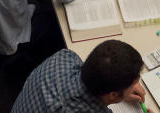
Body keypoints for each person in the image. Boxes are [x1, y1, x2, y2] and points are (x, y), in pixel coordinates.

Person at [11, 41, 146, 113]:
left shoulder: (63, 57)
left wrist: (120, 88)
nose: (135, 86)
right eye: (133, 84)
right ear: (113, 95)